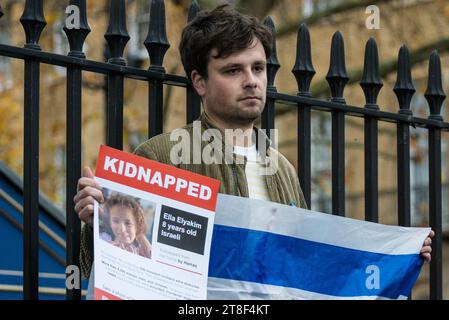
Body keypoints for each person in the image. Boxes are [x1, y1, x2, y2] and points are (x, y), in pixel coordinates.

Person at [74, 4, 433, 280]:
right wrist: (95, 224)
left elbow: (303, 264)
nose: (251, 80)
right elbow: (119, 269)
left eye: (258, 68)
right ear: (199, 82)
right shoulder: (162, 156)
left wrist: (396, 257)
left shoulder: (284, 169)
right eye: (233, 70)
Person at [101, 193, 152, 259]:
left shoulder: (142, 253)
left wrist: (139, 232)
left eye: (128, 223)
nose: (122, 229)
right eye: (116, 221)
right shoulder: (104, 239)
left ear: (138, 225)